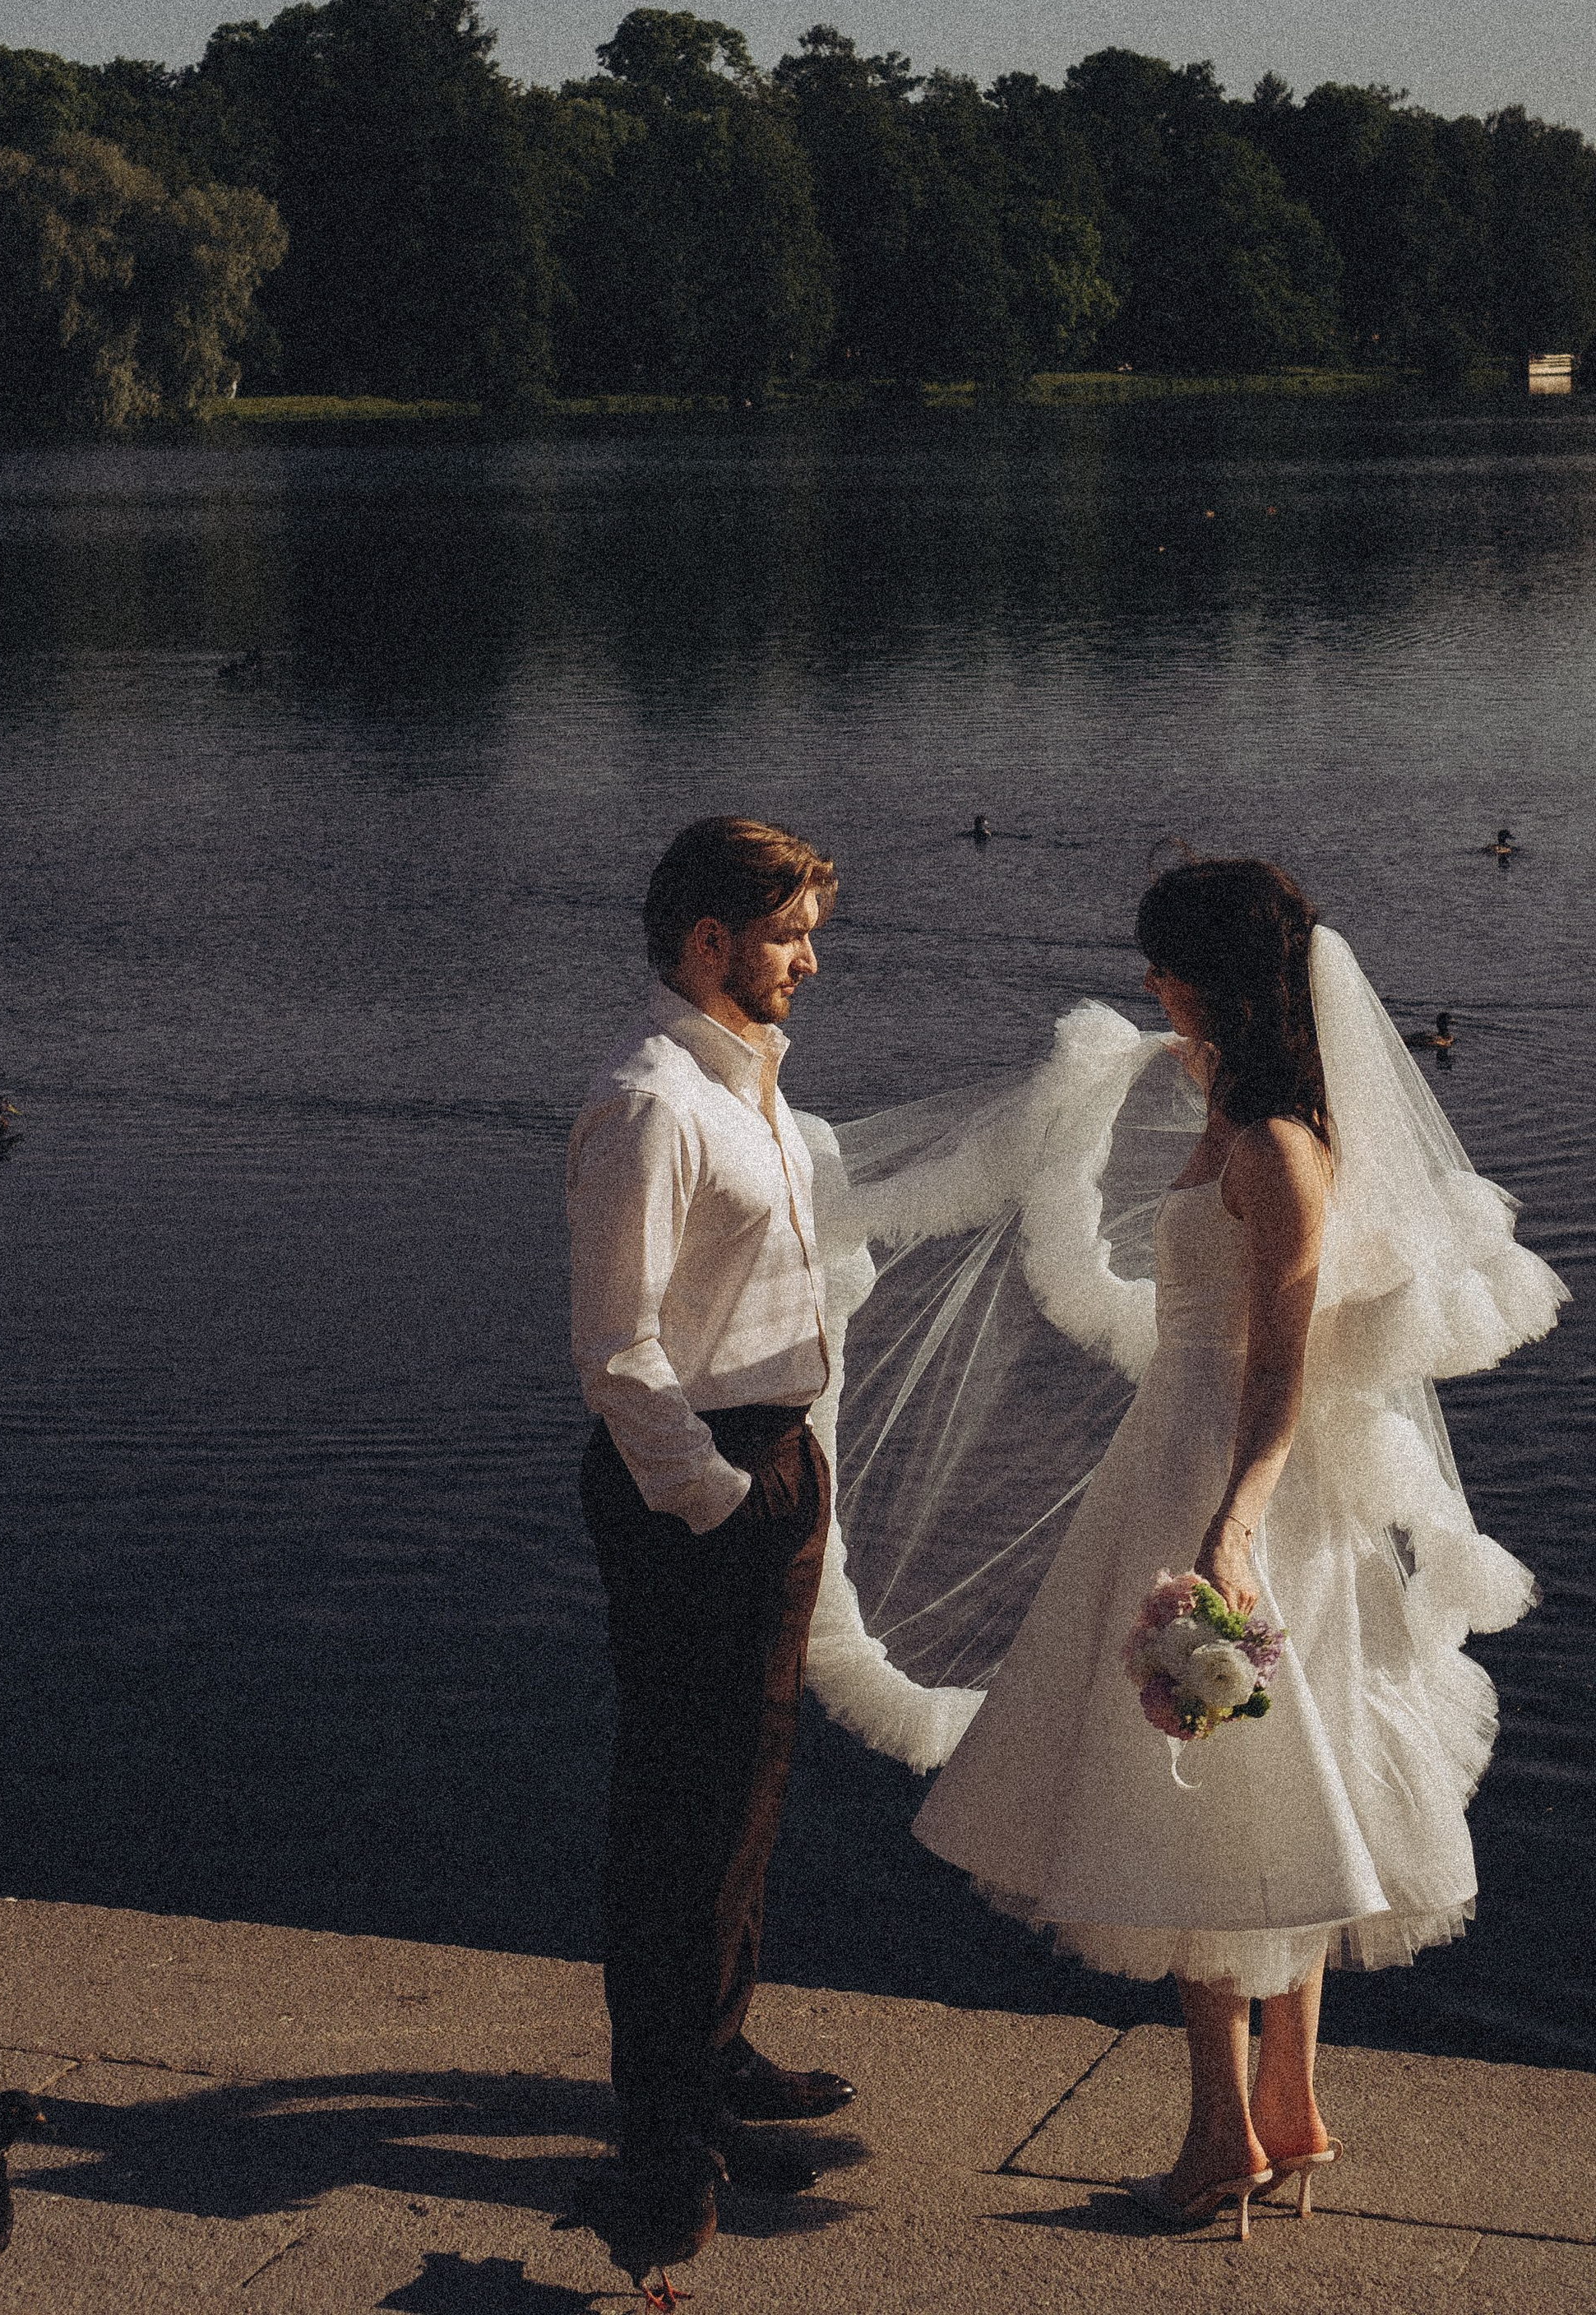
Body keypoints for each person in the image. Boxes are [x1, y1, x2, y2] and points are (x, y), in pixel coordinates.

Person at [829, 858, 1563, 2242]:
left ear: (1216, 978)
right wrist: (1142, 1069)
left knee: (1215, 1807)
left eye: (1165, 967)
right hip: (1172, 1452)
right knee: (1280, 1791)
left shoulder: (1280, 1149)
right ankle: (1285, 2114)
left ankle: (1219, 2138)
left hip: (1228, 1479)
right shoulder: (1236, 1110)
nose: (1149, 986)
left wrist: (1231, 1525)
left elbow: (1281, 1364)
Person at [569, 815, 855, 2280]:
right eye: (790, 931)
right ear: (708, 943)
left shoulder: (748, 1089)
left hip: (769, 1464)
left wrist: (789, 1477)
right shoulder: (653, 1105)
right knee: (681, 1799)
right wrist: (724, 1502)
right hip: (698, 1486)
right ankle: (664, 2117)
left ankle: (714, 2053)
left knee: (747, 1784)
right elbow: (619, 1357)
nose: (812, 956)